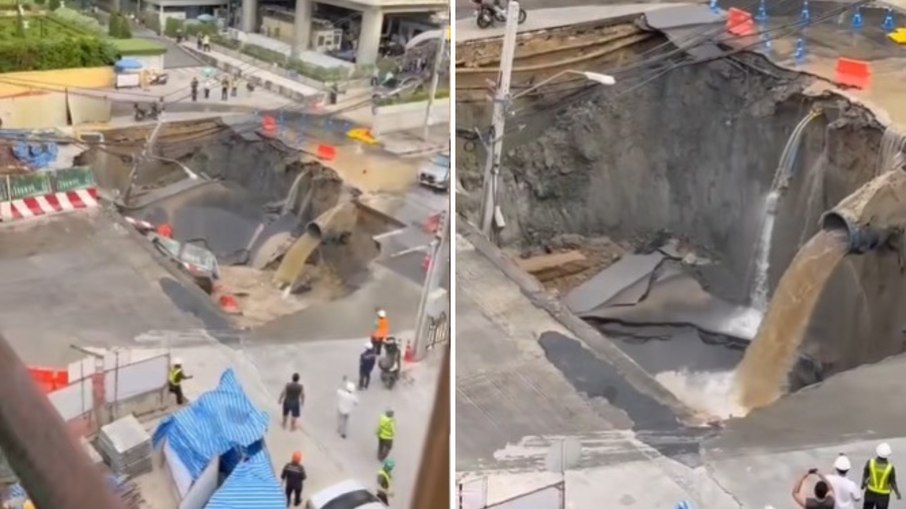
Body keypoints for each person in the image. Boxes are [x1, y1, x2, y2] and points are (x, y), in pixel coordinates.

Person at [862, 443, 901, 509]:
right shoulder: (890, 467)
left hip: (870, 493)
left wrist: (863, 485)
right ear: (888, 454)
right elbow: (893, 482)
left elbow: (865, 474)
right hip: (883, 496)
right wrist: (897, 493)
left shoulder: (870, 462)